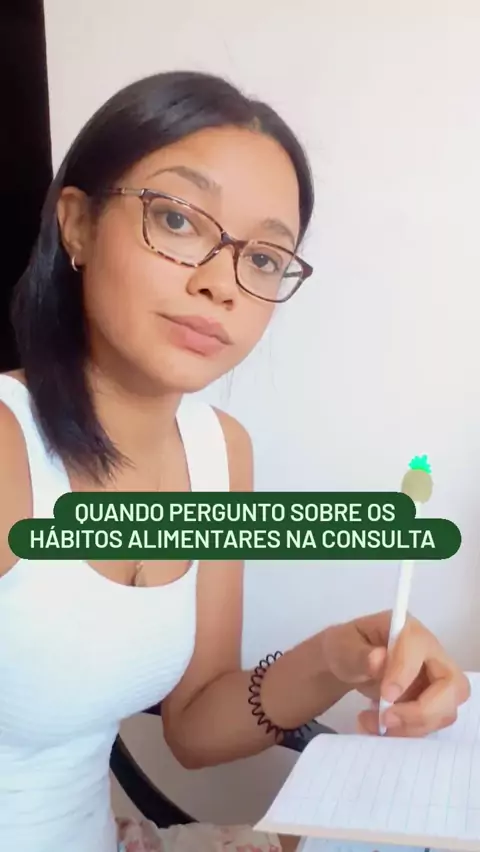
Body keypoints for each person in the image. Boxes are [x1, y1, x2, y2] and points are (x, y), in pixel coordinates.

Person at [0, 70, 469, 852]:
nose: (222, 283)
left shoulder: (218, 450)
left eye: (264, 258)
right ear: (76, 225)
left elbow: (194, 726)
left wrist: (338, 656)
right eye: (177, 219)